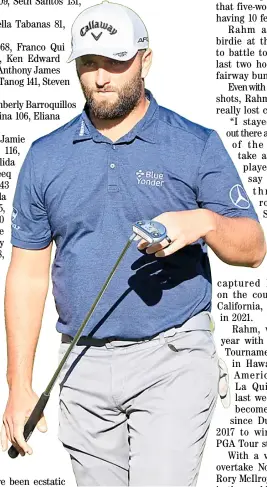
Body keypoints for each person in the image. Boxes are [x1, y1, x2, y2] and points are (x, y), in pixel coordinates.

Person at [1, 1, 266, 485]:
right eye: (87, 64)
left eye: (115, 62)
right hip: (82, 364)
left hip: (174, 355)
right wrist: (19, 386)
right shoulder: (45, 157)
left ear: (145, 59)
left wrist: (204, 222)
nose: (100, 77)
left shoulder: (196, 143)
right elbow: (28, 274)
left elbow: (253, 248)